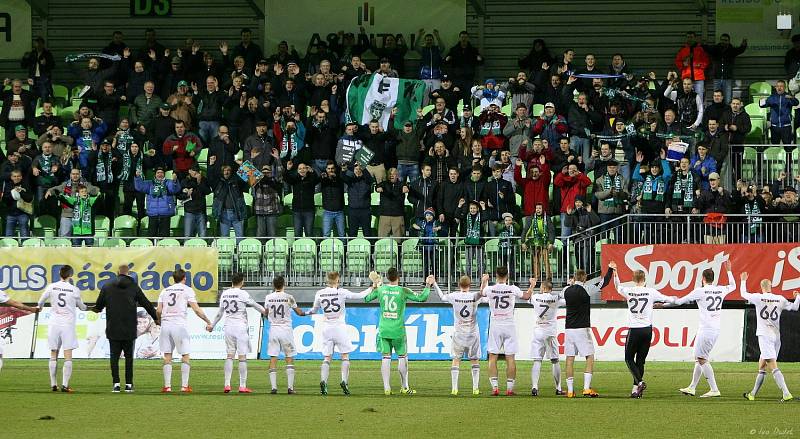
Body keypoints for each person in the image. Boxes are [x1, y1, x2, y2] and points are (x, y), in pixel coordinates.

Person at [609, 261, 675, 398]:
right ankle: (635, 390)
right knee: (640, 360)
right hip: (647, 330)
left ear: (633, 279)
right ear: (645, 279)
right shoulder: (651, 292)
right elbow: (669, 299)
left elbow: (617, 286)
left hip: (634, 329)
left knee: (628, 358)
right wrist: (664, 305)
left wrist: (615, 272)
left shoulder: (629, 291)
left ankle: (639, 382)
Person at [670, 261, 736, 398]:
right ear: (713, 279)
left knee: (701, 359)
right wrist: (729, 270)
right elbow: (733, 286)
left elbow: (680, 301)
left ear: (703, 278)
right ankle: (692, 387)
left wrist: (663, 304)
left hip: (707, 329)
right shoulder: (720, 289)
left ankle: (714, 389)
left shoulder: (699, 291)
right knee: (698, 358)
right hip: (713, 328)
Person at [306, 271, 377, 395]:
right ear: (338, 279)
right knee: (345, 356)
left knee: (327, 358)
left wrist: (304, 313)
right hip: (339, 327)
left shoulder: (320, 293)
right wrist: (372, 288)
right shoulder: (342, 292)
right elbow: (359, 296)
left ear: (327, 280)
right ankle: (344, 381)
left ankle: (323, 381)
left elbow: (314, 310)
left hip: (326, 328)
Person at [364, 269, 432, 395]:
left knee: (385, 358)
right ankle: (405, 387)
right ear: (398, 277)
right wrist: (428, 285)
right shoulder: (403, 290)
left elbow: (366, 298)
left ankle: (387, 388)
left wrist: (374, 286)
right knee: (402, 356)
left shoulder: (381, 289)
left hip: (384, 329)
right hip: (398, 330)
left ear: (387, 277)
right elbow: (422, 298)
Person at [93, 265, 159, 393]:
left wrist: (95, 308)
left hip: (113, 327)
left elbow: (99, 305)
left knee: (114, 357)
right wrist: (156, 318)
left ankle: (116, 384)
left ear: (117, 272)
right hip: (129, 328)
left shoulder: (107, 286)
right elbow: (146, 303)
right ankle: (129, 384)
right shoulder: (134, 286)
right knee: (129, 358)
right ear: (128, 273)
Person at [740, 272, 799, 402]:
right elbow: (795, 307)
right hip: (776, 336)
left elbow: (743, 294)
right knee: (762, 366)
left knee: (772, 365)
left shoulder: (758, 297)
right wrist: (798, 296)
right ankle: (752, 394)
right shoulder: (780, 298)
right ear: (771, 286)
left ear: (762, 287)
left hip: (764, 335)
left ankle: (786, 393)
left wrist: (743, 280)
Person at [206, 273, 266, 393]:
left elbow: (220, 313)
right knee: (242, 357)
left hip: (228, 327)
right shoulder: (243, 293)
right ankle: (242, 386)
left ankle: (227, 384)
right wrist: (266, 312)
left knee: (229, 355)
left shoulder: (225, 293)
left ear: (231, 282)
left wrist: (212, 325)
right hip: (240, 327)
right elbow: (254, 305)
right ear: (242, 282)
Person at [156, 269, 212, 393]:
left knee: (167, 356)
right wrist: (208, 321)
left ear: (173, 278)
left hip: (165, 325)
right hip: (179, 325)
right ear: (184, 278)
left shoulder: (164, 291)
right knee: (185, 355)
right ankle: (184, 386)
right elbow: (196, 310)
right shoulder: (187, 290)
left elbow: (159, 310)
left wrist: (159, 321)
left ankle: (167, 386)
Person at [480, 268, 534, 396]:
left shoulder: (491, 289)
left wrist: (484, 281)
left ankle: (495, 388)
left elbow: (482, 293)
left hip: (495, 325)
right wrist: (532, 285)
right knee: (510, 357)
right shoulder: (512, 288)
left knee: (493, 356)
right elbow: (526, 296)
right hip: (509, 324)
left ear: (496, 275)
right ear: (507, 276)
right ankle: (509, 389)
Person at [434, 275, 487, 396]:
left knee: (456, 359)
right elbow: (482, 293)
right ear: (470, 284)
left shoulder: (454, 296)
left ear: (459, 284)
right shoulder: (474, 296)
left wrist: (435, 284)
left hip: (458, 333)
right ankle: (475, 388)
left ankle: (454, 388)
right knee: (474, 360)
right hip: (473, 333)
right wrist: (484, 281)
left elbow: (442, 297)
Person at [36, 265, 86, 393]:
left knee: (53, 353)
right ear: (71, 275)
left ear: (59, 274)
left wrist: (40, 307)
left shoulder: (52, 286)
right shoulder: (74, 289)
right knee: (67, 355)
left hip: (54, 323)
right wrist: (89, 307)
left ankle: (53, 384)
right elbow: (82, 307)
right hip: (67, 324)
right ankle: (64, 385)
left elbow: (41, 300)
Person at [563, 269, 602, 398]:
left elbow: (560, 298)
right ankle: (586, 388)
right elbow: (604, 283)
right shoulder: (587, 289)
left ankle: (569, 391)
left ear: (574, 277)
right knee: (589, 357)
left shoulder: (567, 290)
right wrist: (610, 271)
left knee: (569, 359)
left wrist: (570, 284)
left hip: (569, 329)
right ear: (584, 277)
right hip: (582, 328)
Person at [264, 276, 307, 394]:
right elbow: (299, 312)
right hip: (286, 331)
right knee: (289, 357)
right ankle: (290, 388)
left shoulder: (268, 297)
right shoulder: (289, 297)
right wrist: (308, 313)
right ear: (284, 284)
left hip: (273, 330)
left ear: (273, 285)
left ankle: (273, 388)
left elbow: (266, 313)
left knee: (273, 358)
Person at [528, 279, 565, 396]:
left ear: (543, 288)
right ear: (550, 289)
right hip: (550, 333)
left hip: (538, 331)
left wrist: (532, 286)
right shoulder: (555, 299)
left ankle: (534, 387)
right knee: (555, 360)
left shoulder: (535, 297)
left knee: (537, 360)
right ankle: (558, 388)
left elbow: (527, 296)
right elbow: (566, 300)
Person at [134, 167, 181, 237]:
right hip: (153, 213)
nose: (160, 174)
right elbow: (140, 187)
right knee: (151, 235)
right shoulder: (150, 183)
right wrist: (137, 177)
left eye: (161, 173)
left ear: (164, 174)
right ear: (155, 174)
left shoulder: (168, 182)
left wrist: (174, 181)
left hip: (165, 213)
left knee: (164, 236)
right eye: (158, 173)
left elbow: (174, 190)